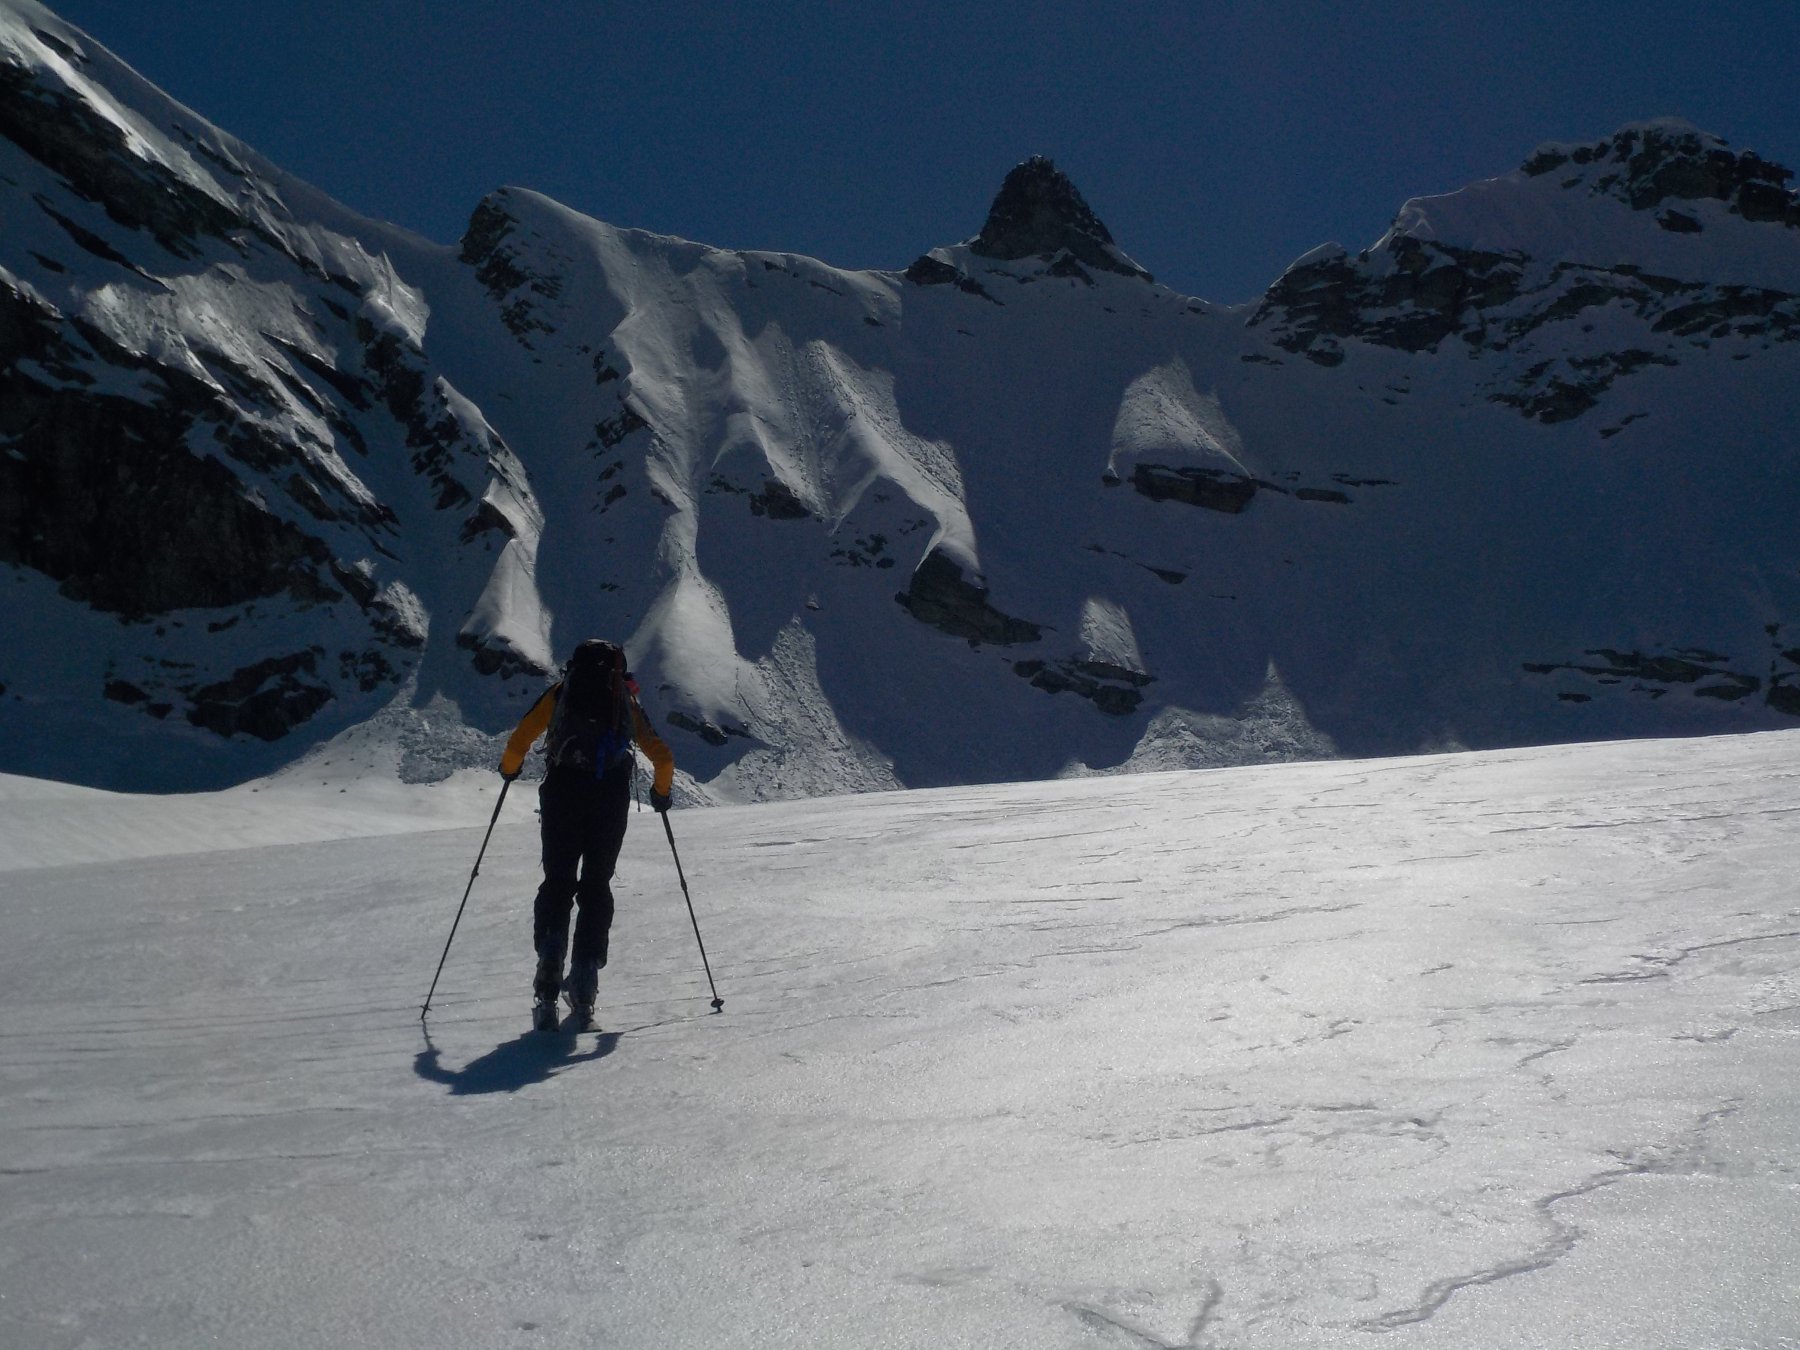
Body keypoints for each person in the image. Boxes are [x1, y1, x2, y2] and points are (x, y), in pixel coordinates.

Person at [499, 639, 675, 1032]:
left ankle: (549, 959)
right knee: (596, 888)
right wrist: (660, 793)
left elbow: (520, 739)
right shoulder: (623, 702)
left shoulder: (562, 692)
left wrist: (509, 770)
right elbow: (662, 757)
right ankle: (584, 982)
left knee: (558, 883)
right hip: (609, 798)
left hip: (562, 791)